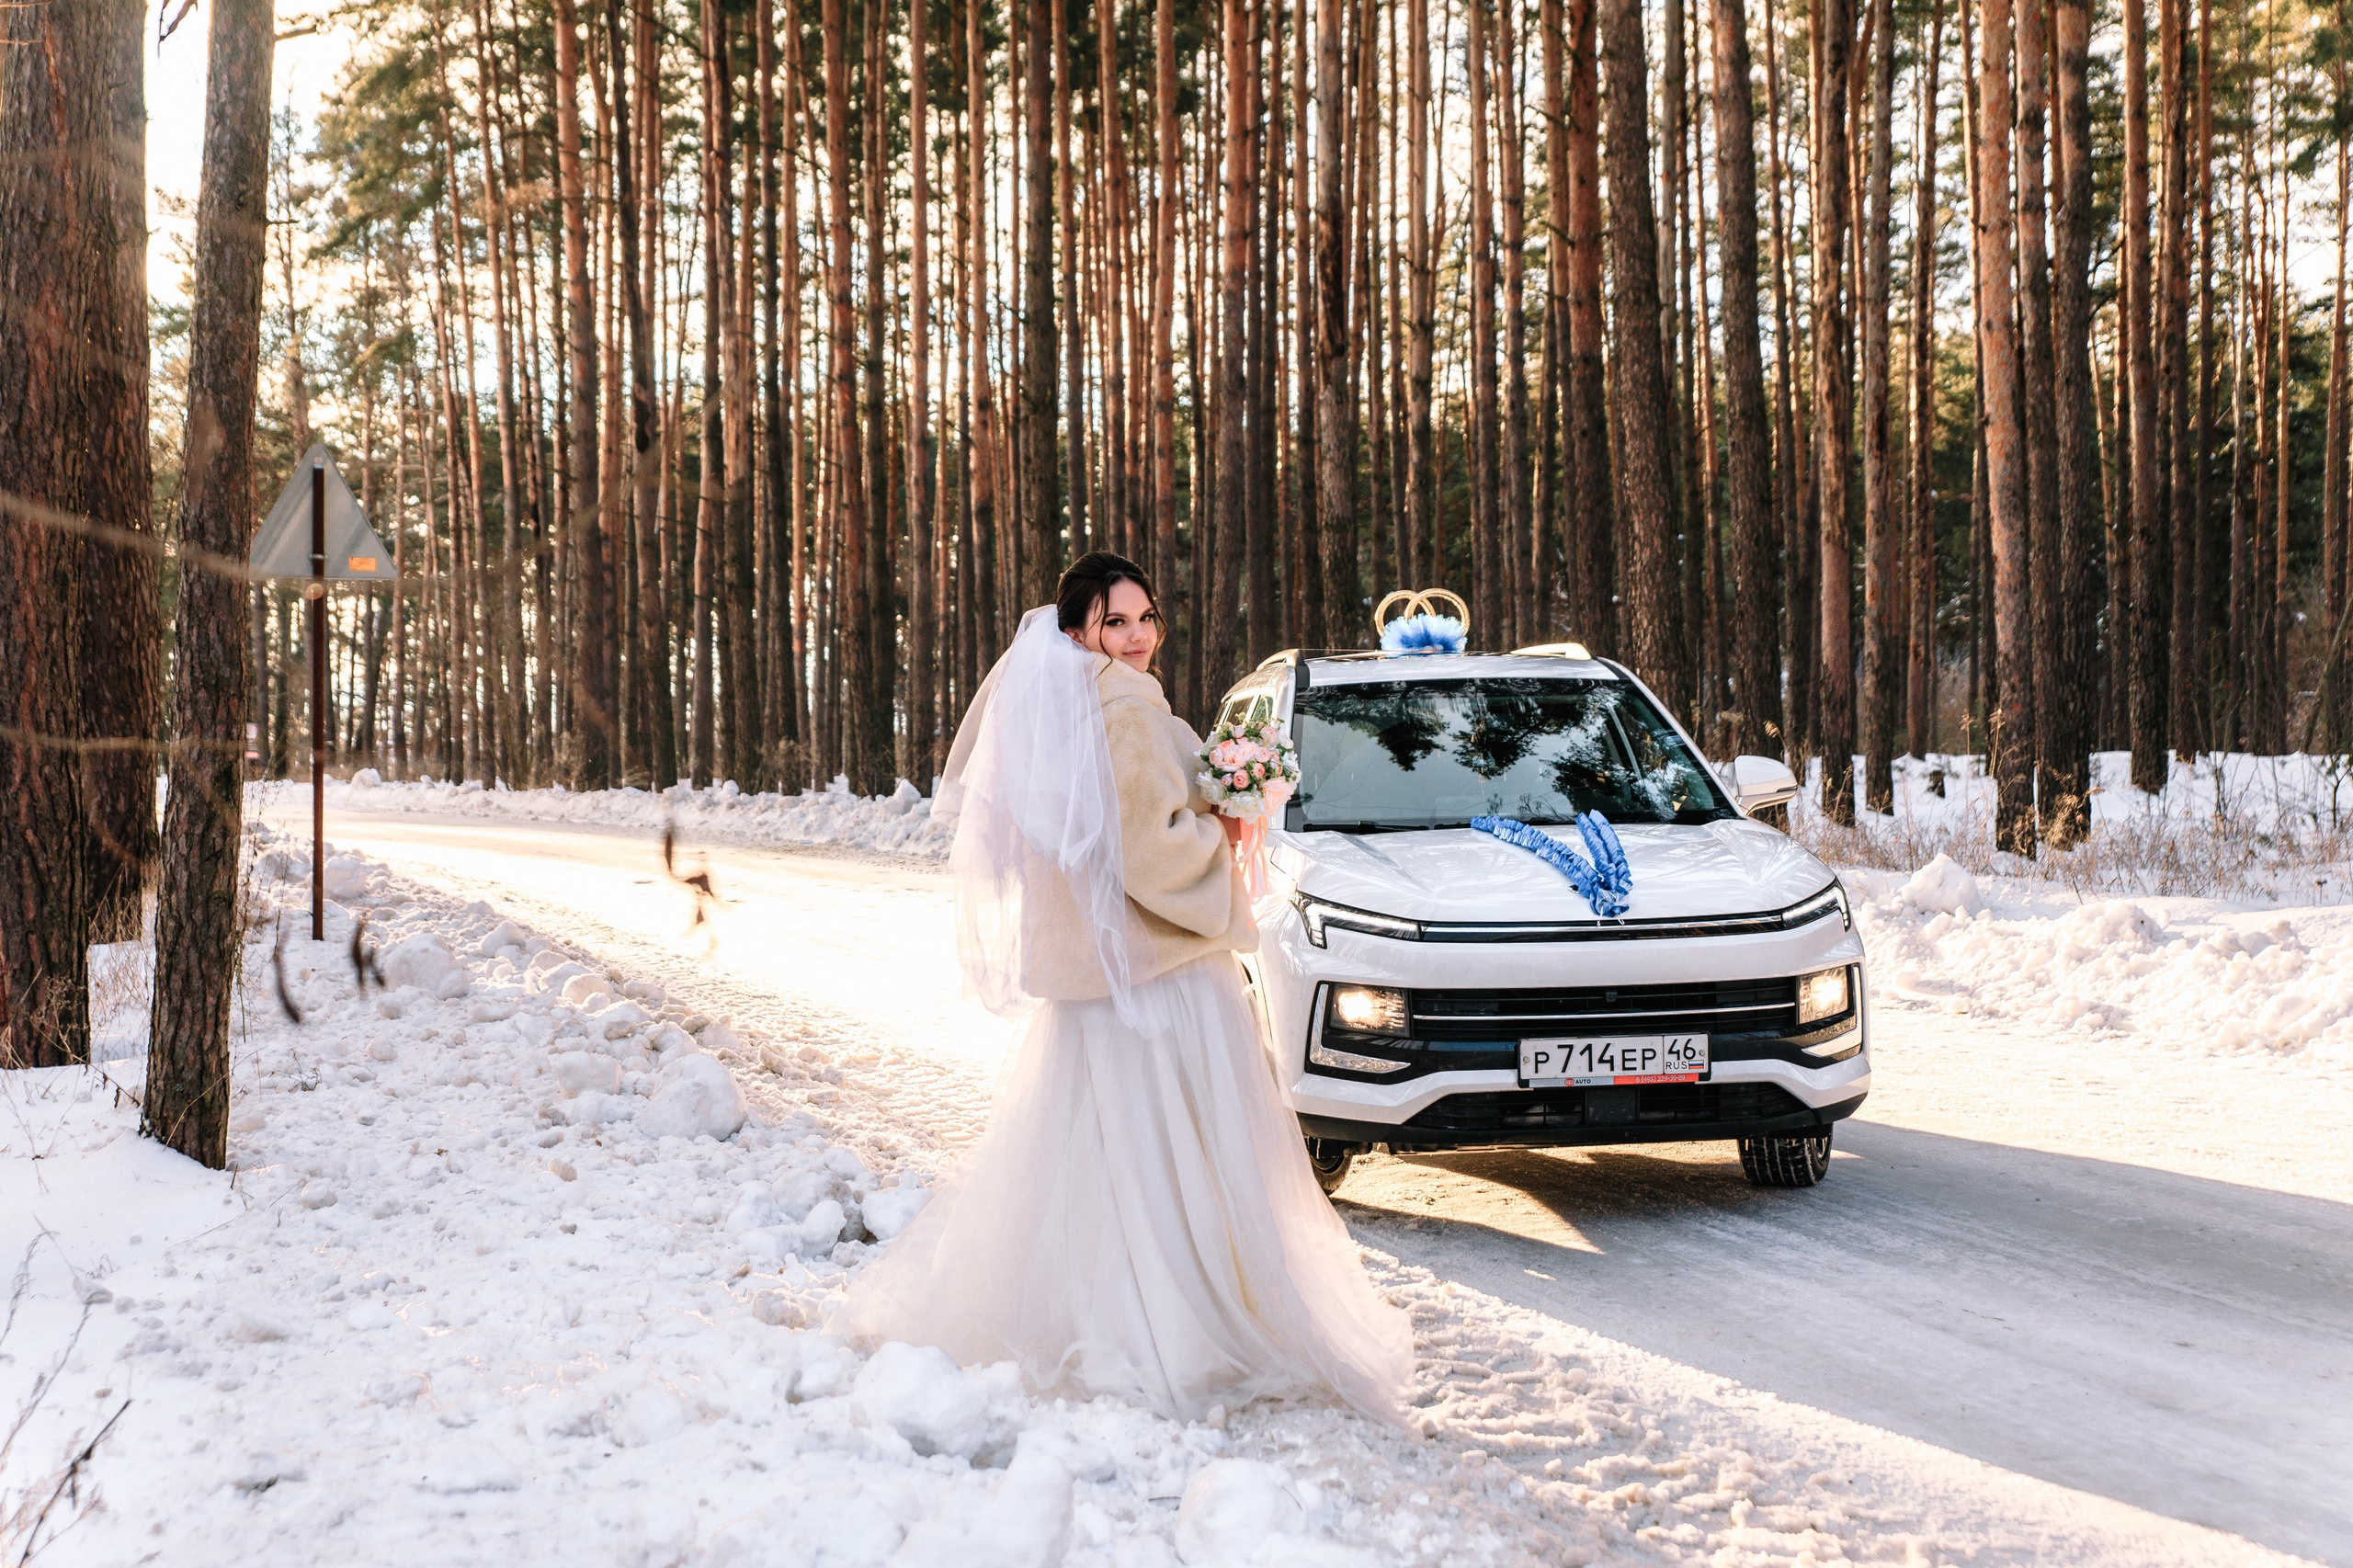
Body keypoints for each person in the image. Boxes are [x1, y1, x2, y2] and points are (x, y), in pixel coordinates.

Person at [831, 551, 1413, 1422]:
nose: (1138, 636)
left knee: (1107, 1163)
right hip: (1160, 974)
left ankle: (1101, 1313)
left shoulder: (1068, 710)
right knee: (1175, 1158)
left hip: (1102, 983)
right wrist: (1226, 833)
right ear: (1078, 633)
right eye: (1115, 622)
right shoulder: (1127, 707)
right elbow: (1148, 848)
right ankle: (1175, 1331)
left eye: (1145, 618)